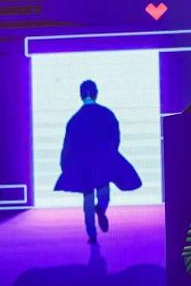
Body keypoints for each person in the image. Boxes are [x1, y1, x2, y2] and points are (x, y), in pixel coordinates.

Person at [54, 80, 142, 244]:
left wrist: (65, 164)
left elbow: (68, 145)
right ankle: (101, 208)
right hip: (102, 160)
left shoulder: (75, 119)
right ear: (96, 93)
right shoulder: (106, 114)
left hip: (83, 164)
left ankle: (92, 234)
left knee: (87, 196)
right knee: (104, 192)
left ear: (80, 95)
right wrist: (109, 153)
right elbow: (115, 136)